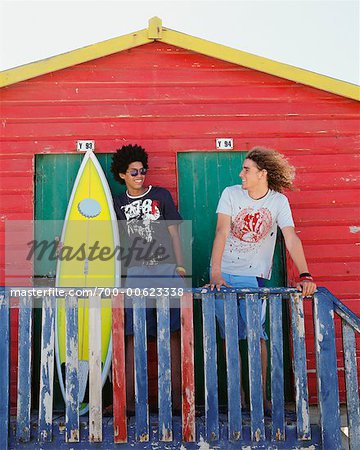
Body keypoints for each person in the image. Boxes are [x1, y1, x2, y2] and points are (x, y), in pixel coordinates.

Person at [208, 146, 316, 414]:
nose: (241, 174)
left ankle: (261, 396)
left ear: (263, 173)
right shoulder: (231, 194)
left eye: (247, 170)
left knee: (257, 337)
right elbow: (222, 230)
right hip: (225, 274)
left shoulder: (278, 202)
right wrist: (215, 272)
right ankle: (239, 398)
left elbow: (290, 236)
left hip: (254, 277)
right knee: (230, 338)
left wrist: (305, 274)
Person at [111, 144, 186, 413]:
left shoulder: (161, 196)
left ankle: (178, 400)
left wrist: (180, 267)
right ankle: (130, 402)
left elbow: (175, 234)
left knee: (174, 332)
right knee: (133, 334)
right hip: (136, 272)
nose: (140, 176)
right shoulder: (117, 203)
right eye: (134, 172)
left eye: (143, 170)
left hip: (166, 269)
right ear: (122, 175)